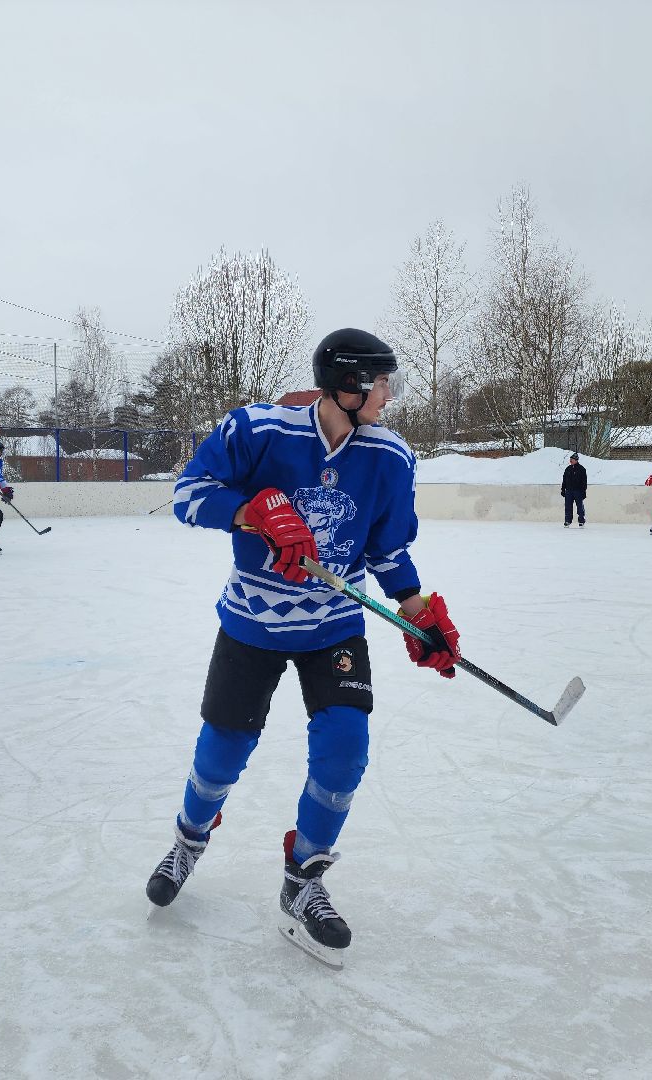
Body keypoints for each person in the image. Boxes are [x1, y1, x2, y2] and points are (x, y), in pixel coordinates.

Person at [144, 327, 460, 967]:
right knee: (221, 752)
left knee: (345, 749)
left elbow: (387, 551)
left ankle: (304, 878)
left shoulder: (391, 457)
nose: (389, 395)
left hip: (334, 627)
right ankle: (188, 840)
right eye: (381, 383)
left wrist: (417, 613)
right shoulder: (258, 431)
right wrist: (252, 511)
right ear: (347, 384)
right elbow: (187, 494)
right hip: (252, 625)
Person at [561, 452, 588, 527]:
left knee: (580, 507)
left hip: (578, 491)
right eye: (570, 459)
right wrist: (563, 489)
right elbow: (564, 480)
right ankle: (567, 521)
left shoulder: (581, 469)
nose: (570, 460)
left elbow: (584, 481)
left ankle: (581, 521)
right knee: (568, 507)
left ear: (576, 460)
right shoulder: (568, 469)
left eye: (572, 459)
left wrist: (583, 491)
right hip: (568, 491)